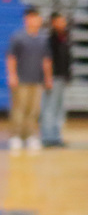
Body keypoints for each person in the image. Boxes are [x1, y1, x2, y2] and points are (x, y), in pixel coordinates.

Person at [6, 7, 52, 152]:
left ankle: (31, 136)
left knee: (34, 110)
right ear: (26, 19)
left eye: (37, 17)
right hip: (21, 79)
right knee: (19, 108)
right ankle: (16, 136)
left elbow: (46, 59)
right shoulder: (18, 37)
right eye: (32, 17)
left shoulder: (44, 38)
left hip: (37, 79)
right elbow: (11, 58)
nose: (35, 20)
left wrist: (48, 77)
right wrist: (12, 75)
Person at [42, 12, 72, 147]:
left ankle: (56, 136)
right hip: (53, 77)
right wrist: (48, 77)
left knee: (59, 108)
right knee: (49, 107)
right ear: (53, 22)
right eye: (60, 21)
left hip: (62, 77)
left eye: (64, 21)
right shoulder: (50, 39)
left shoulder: (64, 38)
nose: (63, 23)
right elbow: (46, 60)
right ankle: (47, 137)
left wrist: (67, 75)